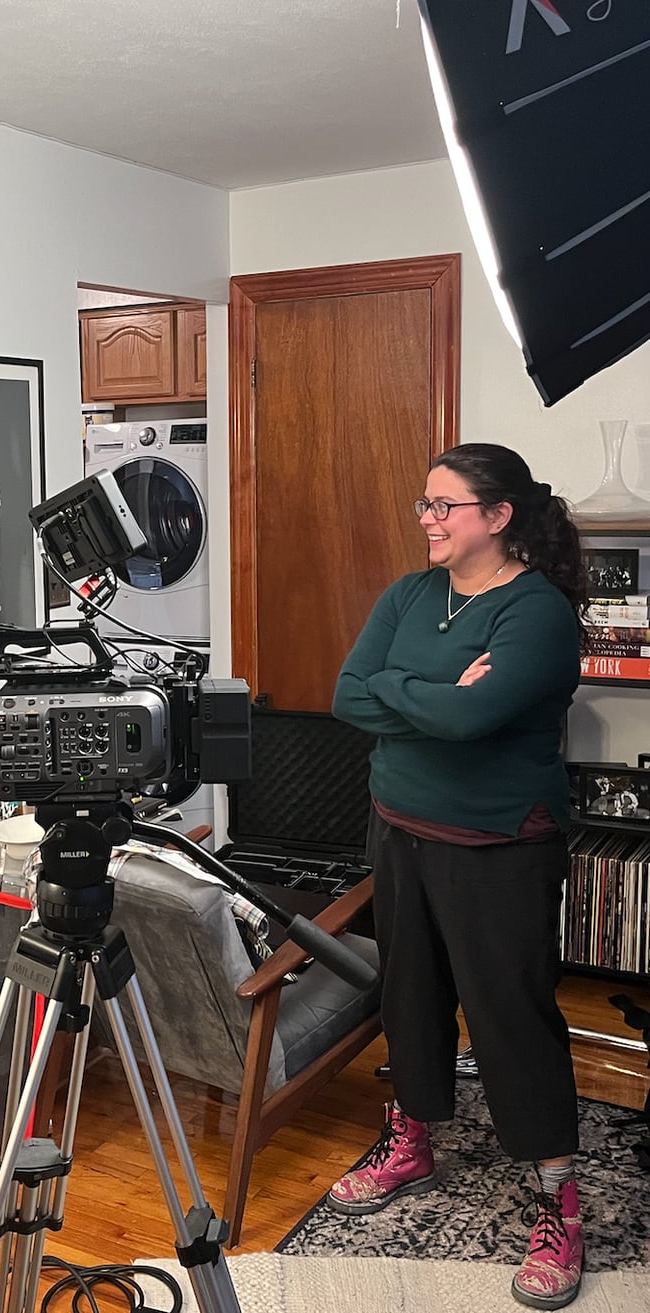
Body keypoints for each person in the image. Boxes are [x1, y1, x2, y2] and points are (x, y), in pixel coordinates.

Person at [330, 444, 587, 1310]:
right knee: (408, 996)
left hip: (499, 842)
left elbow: (478, 716)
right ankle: (412, 1139)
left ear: (499, 515)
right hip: (399, 825)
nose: (429, 520)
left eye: (446, 506)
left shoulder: (537, 612)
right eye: (425, 504)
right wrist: (430, 688)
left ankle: (559, 1200)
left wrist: (405, 695)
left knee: (511, 1016)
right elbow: (346, 693)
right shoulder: (409, 595)